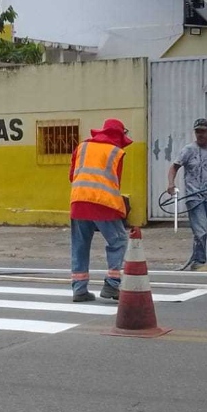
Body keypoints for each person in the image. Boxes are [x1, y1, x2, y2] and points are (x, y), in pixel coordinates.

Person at [69, 118, 131, 302]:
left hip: (79, 199)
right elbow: (115, 182)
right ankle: (112, 285)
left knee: (80, 245)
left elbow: (72, 175)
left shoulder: (82, 147)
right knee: (119, 240)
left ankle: (79, 289)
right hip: (103, 203)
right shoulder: (116, 152)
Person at [167, 118, 207, 271]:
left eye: (203, 131)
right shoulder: (188, 150)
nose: (200, 134)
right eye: (197, 131)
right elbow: (174, 167)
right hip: (194, 196)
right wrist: (171, 184)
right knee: (200, 230)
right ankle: (199, 262)